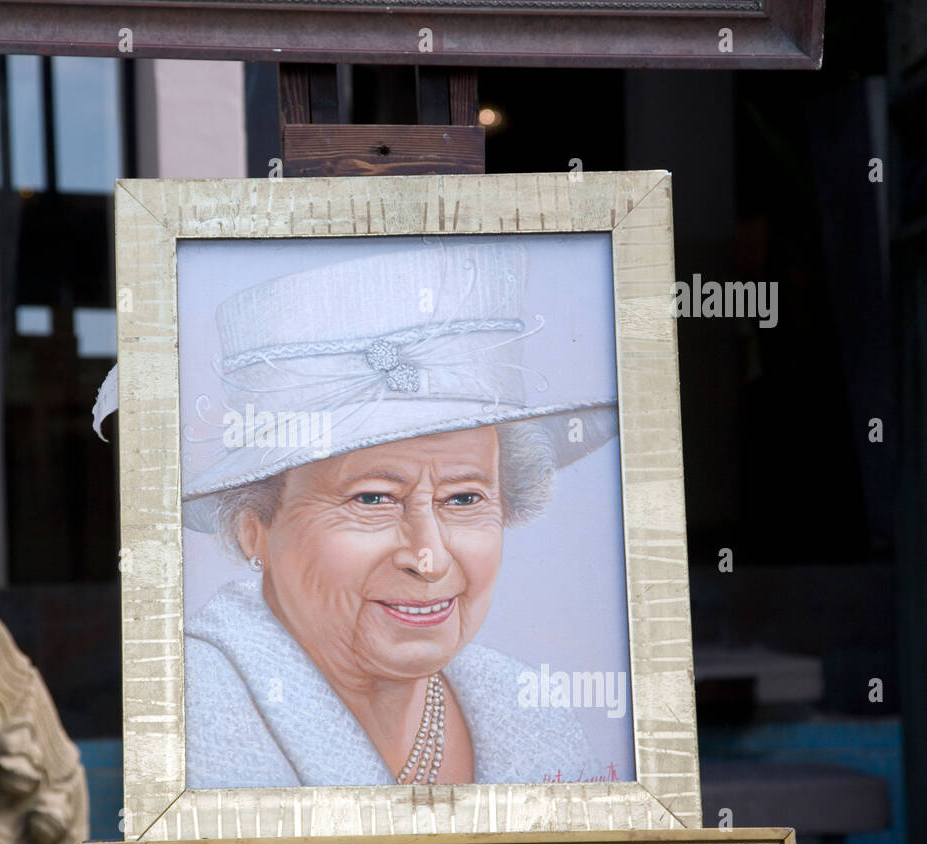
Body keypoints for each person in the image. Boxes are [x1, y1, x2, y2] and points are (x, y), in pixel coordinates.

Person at [181, 239, 620, 788]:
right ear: (255, 529)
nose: (429, 558)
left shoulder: (527, 707)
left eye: (464, 498)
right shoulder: (193, 713)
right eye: (372, 499)